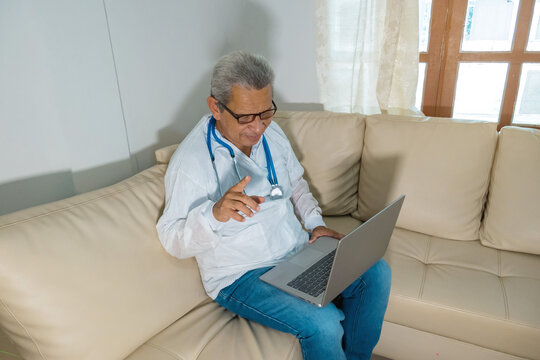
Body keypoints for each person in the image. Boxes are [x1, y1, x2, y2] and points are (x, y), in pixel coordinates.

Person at [156, 51, 391, 360]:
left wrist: (314, 222)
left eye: (265, 113)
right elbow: (172, 239)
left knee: (375, 272)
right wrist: (213, 215)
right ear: (216, 107)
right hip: (240, 275)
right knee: (323, 325)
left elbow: (295, 183)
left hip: (294, 252)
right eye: (245, 117)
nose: (258, 127)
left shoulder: (272, 134)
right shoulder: (191, 163)